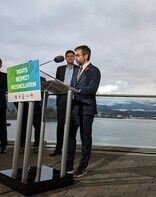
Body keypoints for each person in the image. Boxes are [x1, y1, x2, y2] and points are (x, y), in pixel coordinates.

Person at [66, 45, 101, 178]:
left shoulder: (94, 70)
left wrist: (78, 91)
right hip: (75, 107)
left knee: (85, 139)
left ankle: (82, 167)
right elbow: (73, 86)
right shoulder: (76, 70)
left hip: (87, 108)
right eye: (75, 55)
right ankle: (68, 165)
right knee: (70, 136)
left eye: (78, 55)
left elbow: (93, 88)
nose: (75, 58)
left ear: (85, 56)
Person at [50, 50, 77, 156]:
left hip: (74, 98)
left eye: (72, 56)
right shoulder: (59, 69)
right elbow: (57, 83)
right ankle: (58, 148)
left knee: (72, 124)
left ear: (74, 58)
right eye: (68, 56)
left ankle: (69, 149)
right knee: (60, 125)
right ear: (65, 58)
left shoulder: (78, 69)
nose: (70, 58)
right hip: (62, 98)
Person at [14, 77, 45, 154]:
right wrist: (19, 106)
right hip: (23, 109)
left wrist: (39, 105)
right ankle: (22, 146)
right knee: (23, 128)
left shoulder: (42, 79)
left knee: (38, 128)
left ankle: (37, 146)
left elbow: (44, 93)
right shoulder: (22, 79)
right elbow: (14, 93)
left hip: (36, 109)